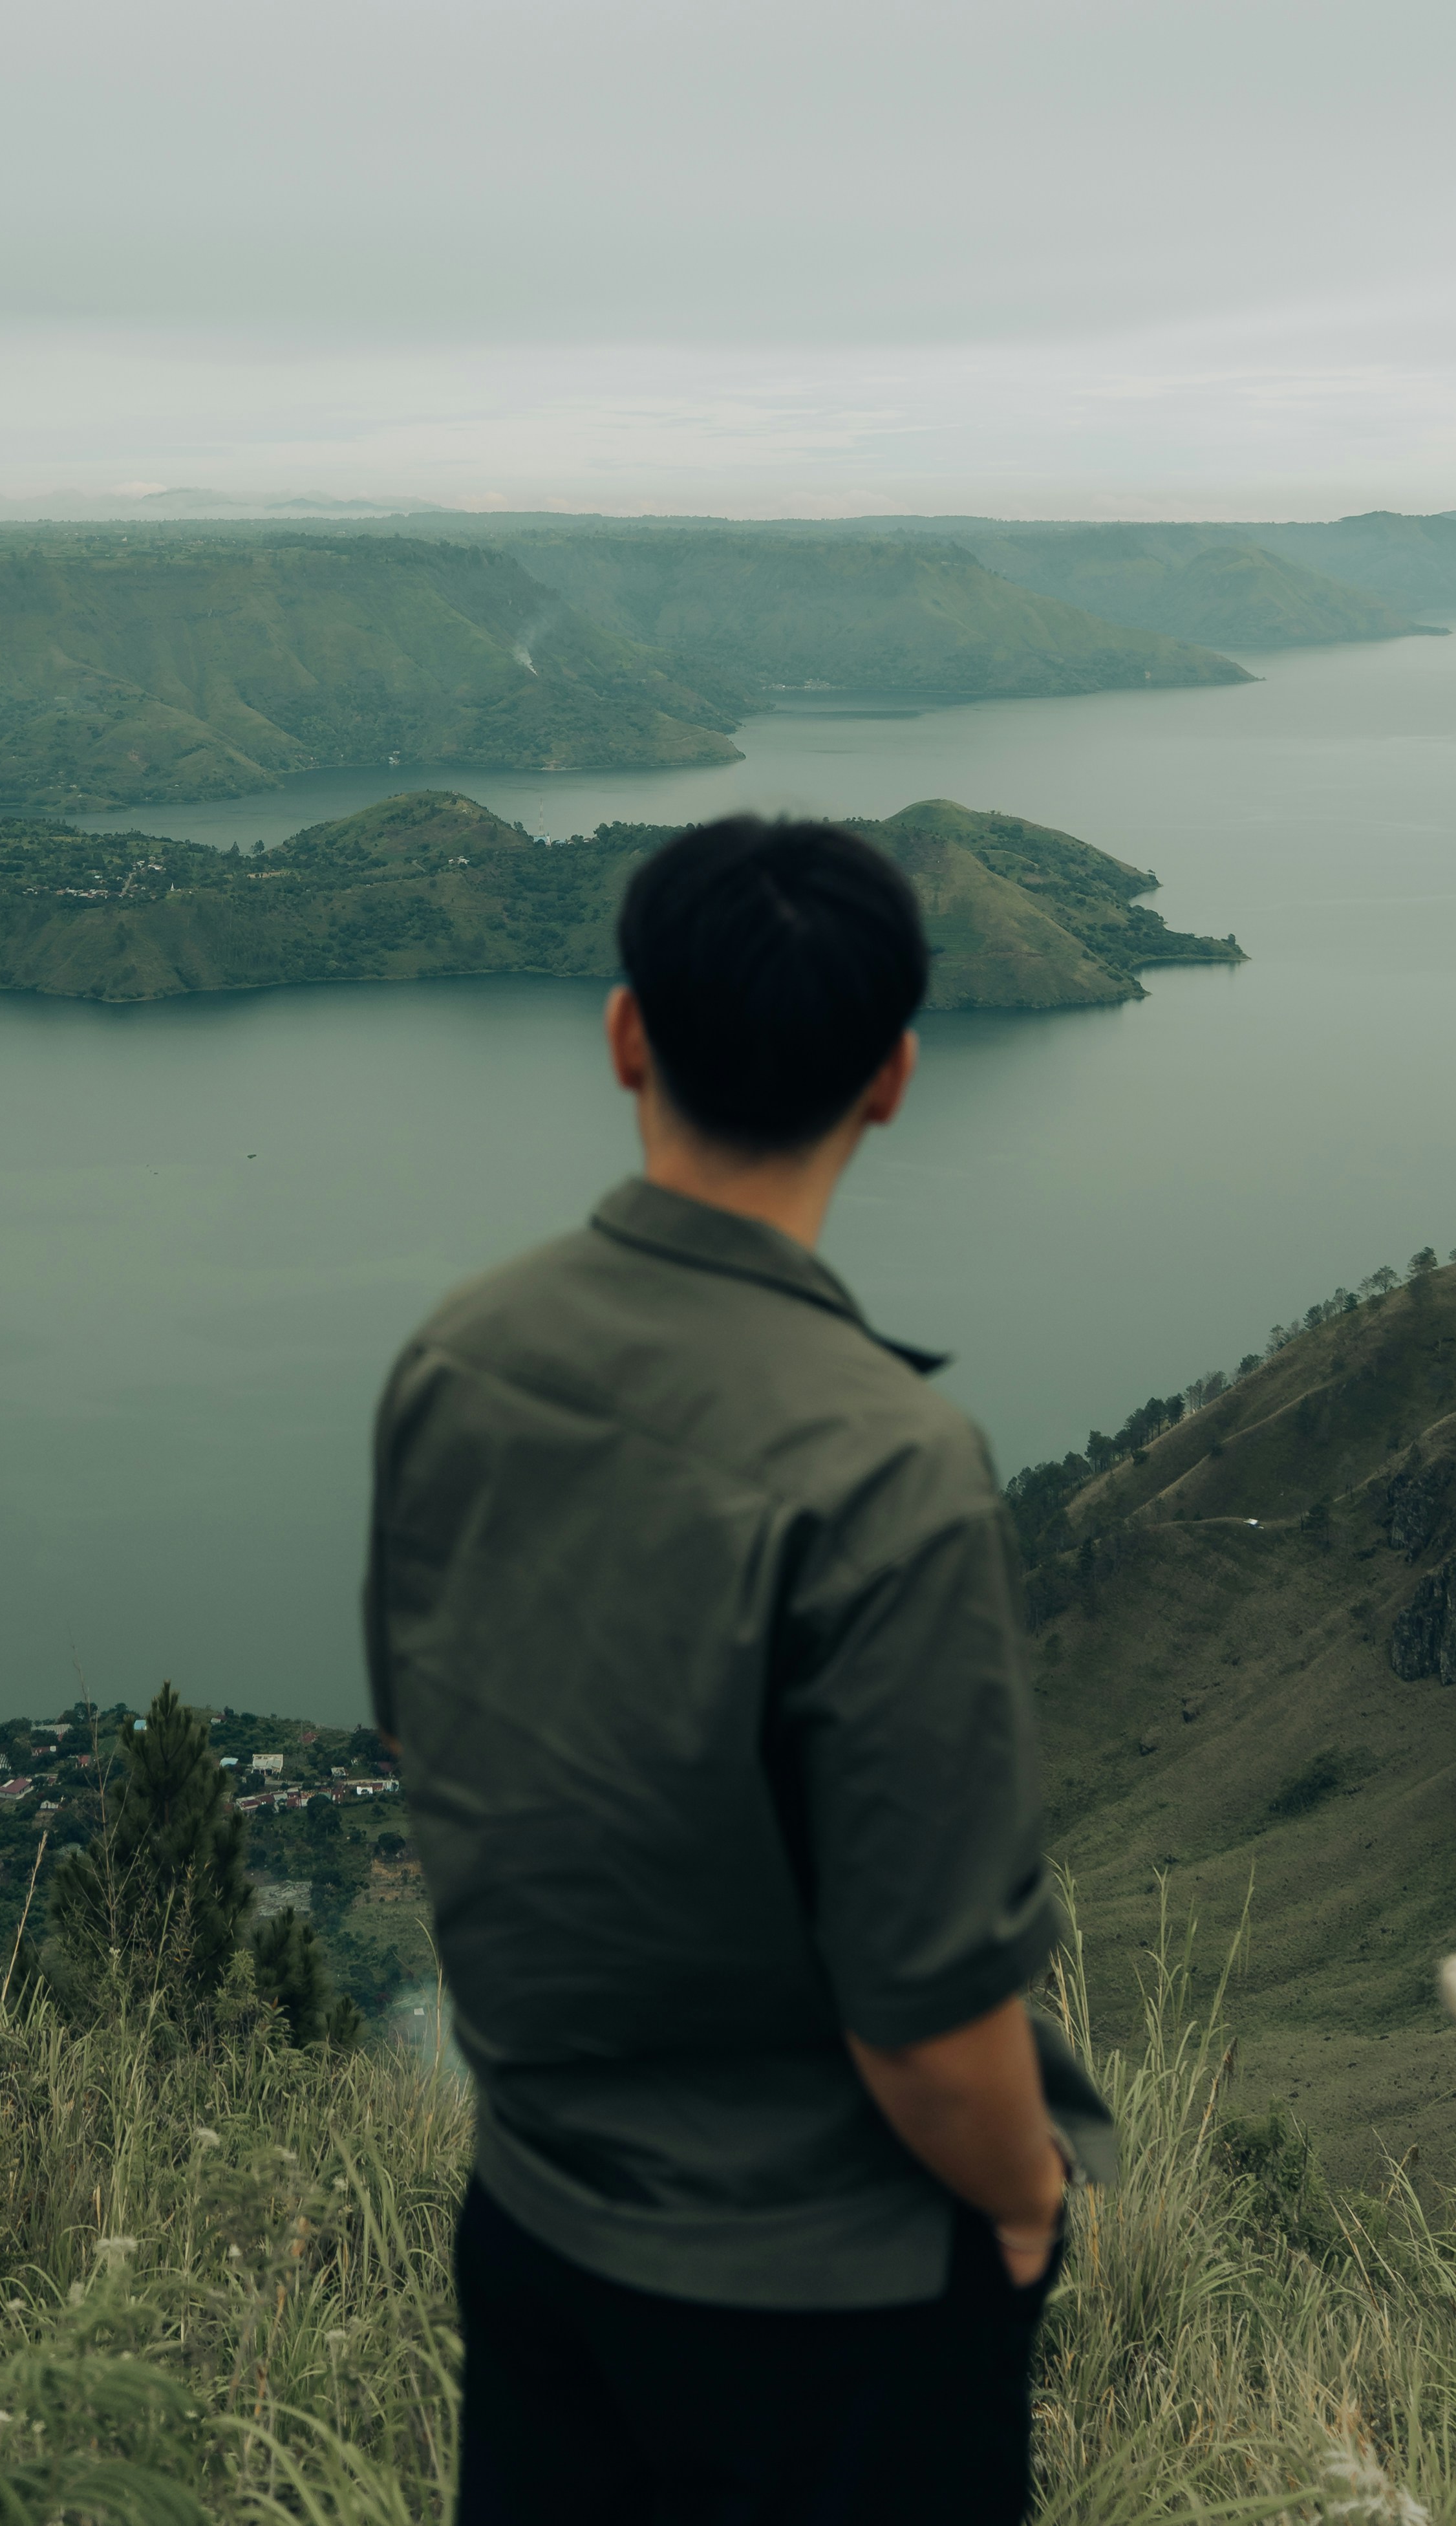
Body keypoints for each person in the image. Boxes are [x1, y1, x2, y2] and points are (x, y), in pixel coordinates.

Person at [363, 812, 1116, 2526]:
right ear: (897, 1075)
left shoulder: (458, 1356)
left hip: (542, 2228)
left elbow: (430, 1734)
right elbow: (928, 2019)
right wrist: (1020, 2204)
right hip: (829, 2315)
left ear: (626, 1033)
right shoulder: (888, 1464)